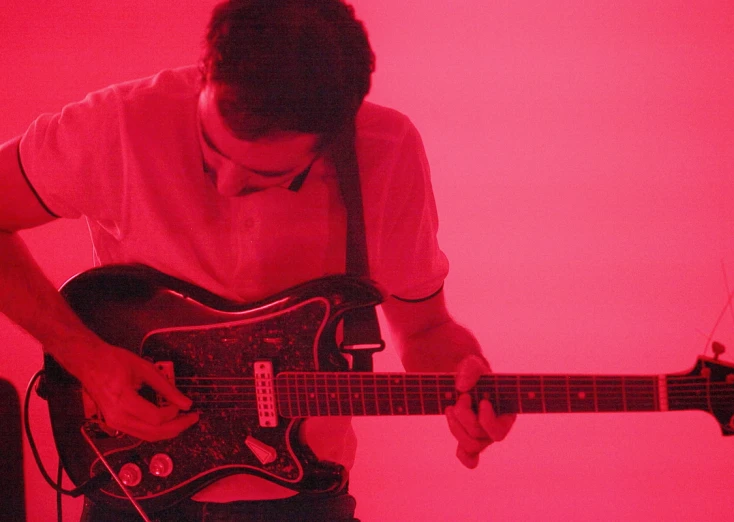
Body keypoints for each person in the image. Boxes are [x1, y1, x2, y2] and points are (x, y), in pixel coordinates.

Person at [0, 1, 515, 520]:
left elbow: (426, 329)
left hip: (303, 499)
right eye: (209, 151)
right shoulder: (120, 125)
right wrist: (85, 357)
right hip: (131, 492)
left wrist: (467, 390)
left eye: (263, 177)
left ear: (334, 135)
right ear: (205, 74)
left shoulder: (386, 151)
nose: (225, 184)